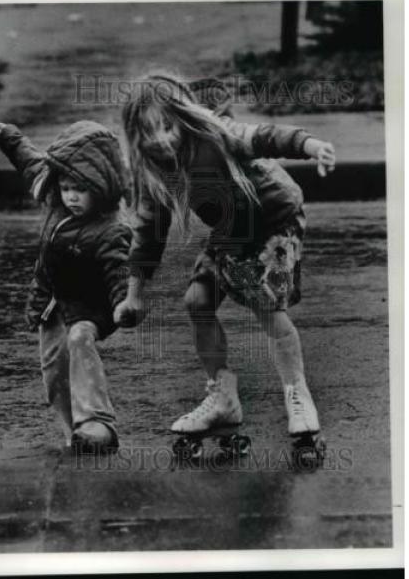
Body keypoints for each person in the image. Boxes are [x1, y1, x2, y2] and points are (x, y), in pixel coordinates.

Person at [114, 71, 336, 447]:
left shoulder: (216, 134)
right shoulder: (154, 172)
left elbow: (266, 136)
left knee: (264, 303)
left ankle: (298, 394)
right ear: (137, 135)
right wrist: (134, 294)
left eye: (167, 126)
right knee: (197, 301)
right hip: (232, 231)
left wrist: (311, 145)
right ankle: (223, 397)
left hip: (273, 217)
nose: (162, 139)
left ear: (183, 116)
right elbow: (148, 233)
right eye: (149, 132)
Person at [0, 120, 132, 453]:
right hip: (55, 302)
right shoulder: (54, 196)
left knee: (79, 338)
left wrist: (124, 301)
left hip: (94, 305)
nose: (71, 197)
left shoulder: (112, 229)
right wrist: (9, 137)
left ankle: (98, 423)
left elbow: (120, 270)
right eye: (66, 187)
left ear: (100, 185)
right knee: (54, 371)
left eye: (80, 189)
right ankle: (73, 434)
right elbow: (30, 161)